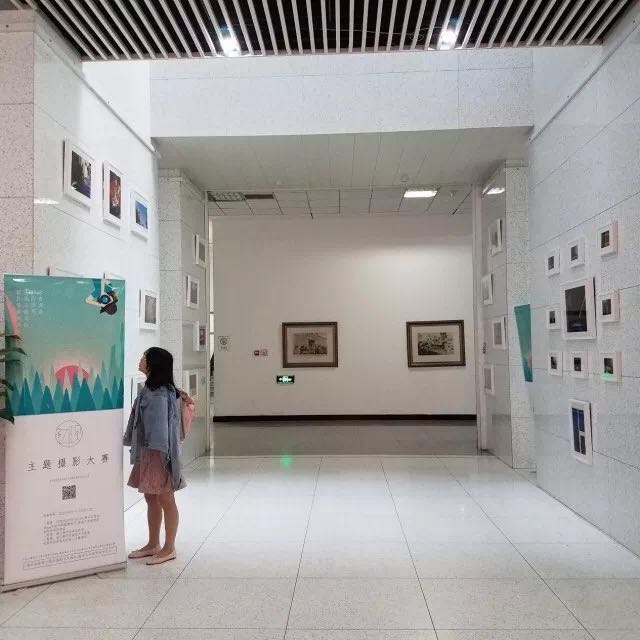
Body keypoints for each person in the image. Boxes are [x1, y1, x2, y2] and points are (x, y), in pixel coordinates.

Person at [123, 347, 185, 565]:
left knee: (165, 497)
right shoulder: (150, 389)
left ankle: (169, 547)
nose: (140, 360)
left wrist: (160, 458)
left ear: (153, 364)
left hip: (159, 453)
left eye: (144, 357)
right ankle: (153, 544)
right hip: (148, 451)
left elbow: (161, 431)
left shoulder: (160, 394)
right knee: (151, 496)